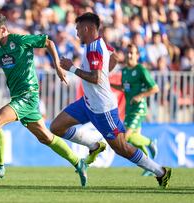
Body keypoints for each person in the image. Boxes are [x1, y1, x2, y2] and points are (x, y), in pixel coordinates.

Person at [0, 13, 88, 186]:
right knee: (46, 137)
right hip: (18, 96)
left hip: (28, 94)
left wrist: (57, 66)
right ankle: (79, 162)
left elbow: (48, 42)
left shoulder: (19, 40)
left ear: (3, 30)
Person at [50, 12, 172, 188]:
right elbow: (115, 58)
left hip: (103, 109)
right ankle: (94, 146)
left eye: (78, 29)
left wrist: (72, 68)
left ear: (87, 28)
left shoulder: (94, 50)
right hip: (87, 103)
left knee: (122, 147)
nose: (76, 34)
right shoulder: (99, 44)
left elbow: (97, 78)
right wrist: (105, 73)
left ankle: (161, 171)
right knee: (56, 127)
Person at [111, 44, 159, 176]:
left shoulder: (141, 70)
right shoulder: (125, 71)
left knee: (126, 137)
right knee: (132, 140)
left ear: (137, 55)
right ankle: (149, 166)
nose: (130, 55)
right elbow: (125, 88)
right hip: (129, 109)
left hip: (139, 108)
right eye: (128, 52)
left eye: (132, 53)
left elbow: (155, 88)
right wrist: (109, 84)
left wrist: (140, 96)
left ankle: (150, 142)